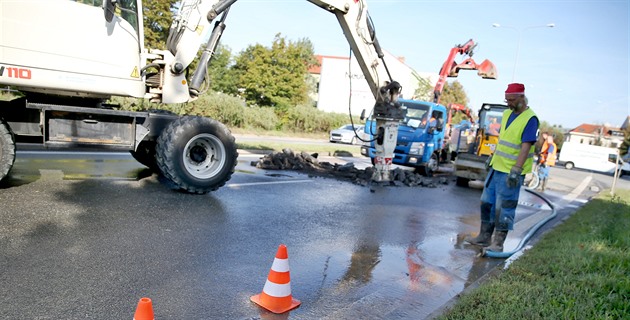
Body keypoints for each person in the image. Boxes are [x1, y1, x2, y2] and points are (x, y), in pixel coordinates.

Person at [465, 83, 539, 252]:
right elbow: (503, 139)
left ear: (522, 97)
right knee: (486, 203)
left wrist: (517, 170)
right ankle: (484, 236)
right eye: (506, 100)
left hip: (511, 172)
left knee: (503, 207)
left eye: (511, 100)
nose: (508, 103)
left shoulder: (530, 119)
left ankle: (497, 243)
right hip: (496, 167)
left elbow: (526, 146)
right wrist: (492, 157)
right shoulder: (506, 114)